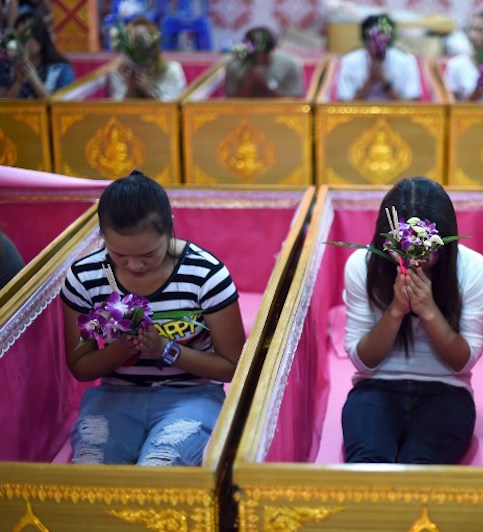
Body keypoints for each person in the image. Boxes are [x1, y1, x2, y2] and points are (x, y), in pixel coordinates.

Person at [60, 170, 245, 465]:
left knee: (161, 466)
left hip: (192, 396)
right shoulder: (85, 277)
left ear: (169, 228)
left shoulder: (205, 275)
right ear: (102, 236)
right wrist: (124, 349)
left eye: (148, 254)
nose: (134, 265)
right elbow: (81, 366)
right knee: (91, 467)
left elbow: (233, 367)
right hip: (115, 396)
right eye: (119, 254)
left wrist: (165, 350)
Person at [341, 177, 483, 464]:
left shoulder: (473, 269)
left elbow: (464, 361)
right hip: (376, 387)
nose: (413, 261)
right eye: (402, 248)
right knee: (368, 463)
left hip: (447, 392)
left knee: (421, 467)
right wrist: (396, 310)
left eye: (425, 249)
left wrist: (430, 311)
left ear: (443, 242)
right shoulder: (361, 266)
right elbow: (362, 361)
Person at [336, 13, 421, 101]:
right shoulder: (349, 61)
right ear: (365, 39)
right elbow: (343, 106)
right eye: (372, 38)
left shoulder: (406, 61)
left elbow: (412, 105)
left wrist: (384, 82)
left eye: (383, 36)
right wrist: (370, 82)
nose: (377, 43)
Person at [107, 17, 186, 101]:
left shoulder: (171, 71)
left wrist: (149, 93)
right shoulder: (118, 73)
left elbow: (174, 109)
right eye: (136, 45)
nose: (140, 52)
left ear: (154, 48)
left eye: (144, 45)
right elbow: (116, 110)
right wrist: (130, 89)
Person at [0, 12, 75, 99]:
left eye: (30, 35)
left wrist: (35, 81)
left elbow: (59, 107)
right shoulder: (6, 67)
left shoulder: (62, 70)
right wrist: (18, 83)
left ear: (40, 36)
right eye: (20, 36)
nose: (25, 42)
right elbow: (3, 106)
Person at [225, 26, 304, 98]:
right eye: (254, 55)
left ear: (273, 50)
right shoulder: (234, 66)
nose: (259, 58)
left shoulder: (290, 65)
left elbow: (296, 101)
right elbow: (230, 101)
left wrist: (268, 85)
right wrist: (249, 84)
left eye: (265, 54)